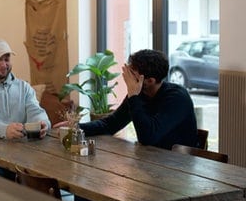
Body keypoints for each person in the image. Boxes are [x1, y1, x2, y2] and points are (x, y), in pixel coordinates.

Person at [57, 49, 198, 150]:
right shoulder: (139, 93)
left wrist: (134, 96)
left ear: (149, 80)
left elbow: (148, 137)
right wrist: (76, 127)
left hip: (179, 168)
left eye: (131, 73)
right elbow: (111, 125)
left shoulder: (177, 98)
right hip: (151, 162)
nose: (126, 76)